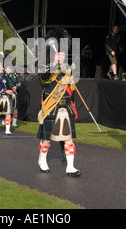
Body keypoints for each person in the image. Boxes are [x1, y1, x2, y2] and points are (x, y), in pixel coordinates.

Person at [37, 28, 81, 177]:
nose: (61, 55)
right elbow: (42, 77)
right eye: (58, 53)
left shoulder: (68, 69)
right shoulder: (45, 68)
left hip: (65, 107)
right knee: (47, 140)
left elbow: (71, 91)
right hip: (51, 107)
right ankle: (42, 159)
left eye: (62, 53)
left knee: (69, 139)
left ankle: (70, 167)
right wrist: (54, 64)